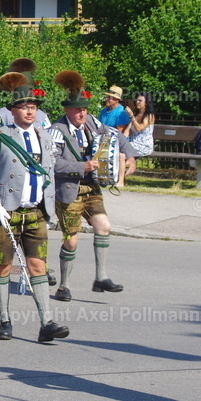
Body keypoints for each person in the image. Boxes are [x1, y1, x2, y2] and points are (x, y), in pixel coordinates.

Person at [0, 73, 69, 342]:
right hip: (7, 212)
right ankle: (5, 321)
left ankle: (46, 323)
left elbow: (50, 174)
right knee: (4, 267)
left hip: (35, 212)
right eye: (24, 107)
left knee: (37, 265)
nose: (30, 111)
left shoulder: (45, 137)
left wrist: (51, 210)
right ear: (13, 111)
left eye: (33, 107)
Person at [50, 71, 131, 301]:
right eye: (78, 109)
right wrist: (82, 167)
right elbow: (54, 164)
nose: (82, 113)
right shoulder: (57, 131)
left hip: (92, 188)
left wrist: (131, 155)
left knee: (103, 225)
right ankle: (64, 285)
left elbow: (116, 136)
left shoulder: (92, 122)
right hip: (69, 190)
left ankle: (101, 276)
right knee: (71, 239)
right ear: (67, 110)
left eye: (84, 109)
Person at [128, 91, 155, 158]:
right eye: (137, 100)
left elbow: (139, 128)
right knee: (119, 147)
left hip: (143, 145)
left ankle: (130, 165)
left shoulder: (149, 116)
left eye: (140, 101)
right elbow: (129, 130)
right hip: (133, 143)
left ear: (146, 103)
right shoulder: (136, 115)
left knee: (123, 149)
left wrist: (131, 116)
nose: (137, 102)